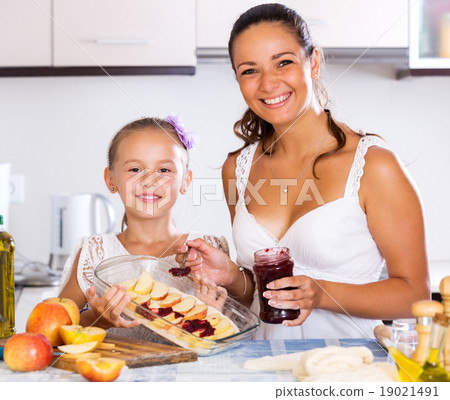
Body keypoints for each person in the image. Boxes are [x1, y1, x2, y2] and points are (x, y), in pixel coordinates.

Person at [176, 3, 430, 340]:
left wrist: (321, 293)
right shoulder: (236, 169)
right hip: (261, 368)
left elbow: (415, 296)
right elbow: (259, 291)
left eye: (283, 62)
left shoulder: (374, 165)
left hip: (348, 371)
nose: (268, 83)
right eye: (250, 70)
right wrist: (233, 278)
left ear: (313, 62)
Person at [59, 116, 229, 337]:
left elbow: (239, 322)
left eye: (164, 170)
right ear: (110, 179)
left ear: (186, 181)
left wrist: (212, 316)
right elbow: (53, 327)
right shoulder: (94, 252)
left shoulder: (209, 250)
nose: (149, 180)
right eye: (135, 169)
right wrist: (95, 319)